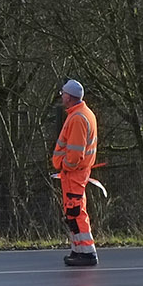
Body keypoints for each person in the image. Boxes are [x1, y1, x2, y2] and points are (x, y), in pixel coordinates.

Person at [51, 78, 100, 268]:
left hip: (74, 174)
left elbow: (75, 153)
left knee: (76, 212)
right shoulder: (81, 114)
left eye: (63, 94)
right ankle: (78, 249)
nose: (62, 97)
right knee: (73, 212)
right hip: (74, 174)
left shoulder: (78, 117)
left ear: (69, 97)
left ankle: (87, 253)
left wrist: (65, 166)